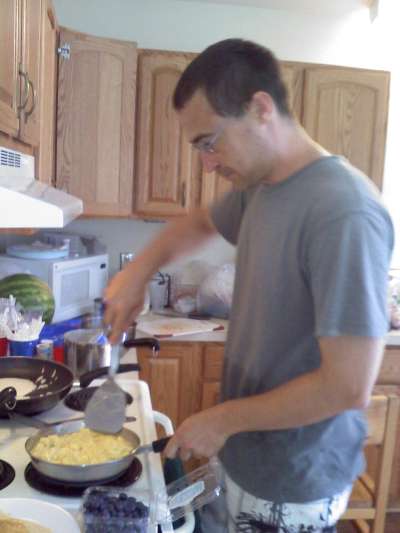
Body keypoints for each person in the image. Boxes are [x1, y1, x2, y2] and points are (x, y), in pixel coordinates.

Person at [104, 39, 394, 532]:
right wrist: (138, 271)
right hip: (245, 456)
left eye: (209, 142)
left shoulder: (343, 211)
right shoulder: (262, 187)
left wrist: (222, 420)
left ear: (260, 108)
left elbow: (347, 386)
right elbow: (198, 223)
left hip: (292, 481)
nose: (206, 164)